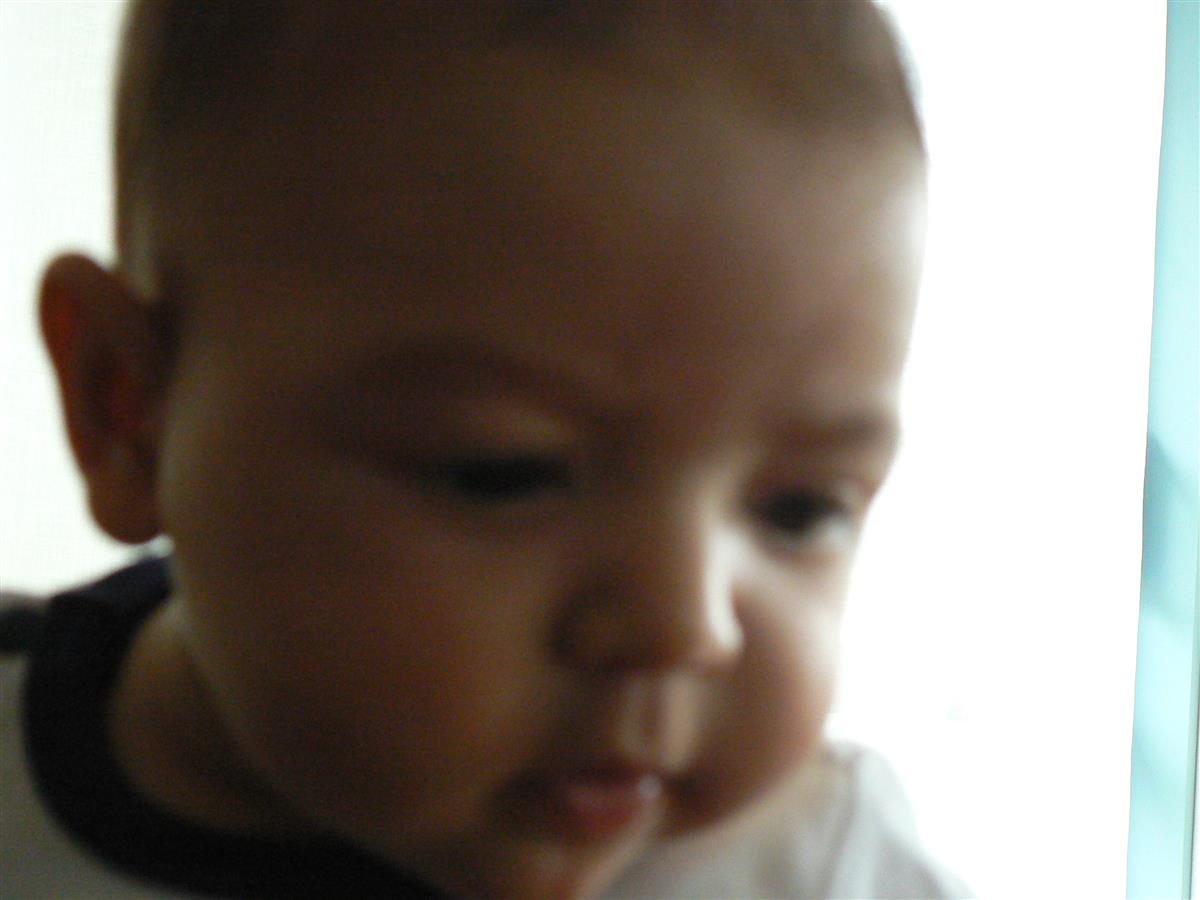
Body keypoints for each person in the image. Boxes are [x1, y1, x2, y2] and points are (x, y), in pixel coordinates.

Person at [0, 1, 970, 897]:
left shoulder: (820, 869)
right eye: (506, 475)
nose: (684, 625)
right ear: (128, 410)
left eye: (802, 508)